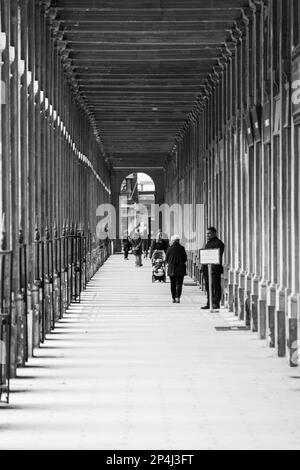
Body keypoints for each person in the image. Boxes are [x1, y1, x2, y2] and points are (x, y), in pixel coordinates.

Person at [201, 227, 225, 310]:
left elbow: (217, 255)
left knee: (215, 286)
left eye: (209, 233)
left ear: (214, 233)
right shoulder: (208, 243)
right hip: (207, 268)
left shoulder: (219, 243)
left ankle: (215, 303)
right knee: (208, 286)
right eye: (207, 233)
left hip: (215, 269)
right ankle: (209, 302)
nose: (207, 235)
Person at [166, 235, 187, 304]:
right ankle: (178, 297)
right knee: (179, 283)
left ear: (173, 241)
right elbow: (185, 258)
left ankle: (173, 298)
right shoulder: (182, 248)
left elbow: (167, 259)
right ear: (178, 240)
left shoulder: (169, 248)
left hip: (171, 268)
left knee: (173, 284)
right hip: (180, 268)